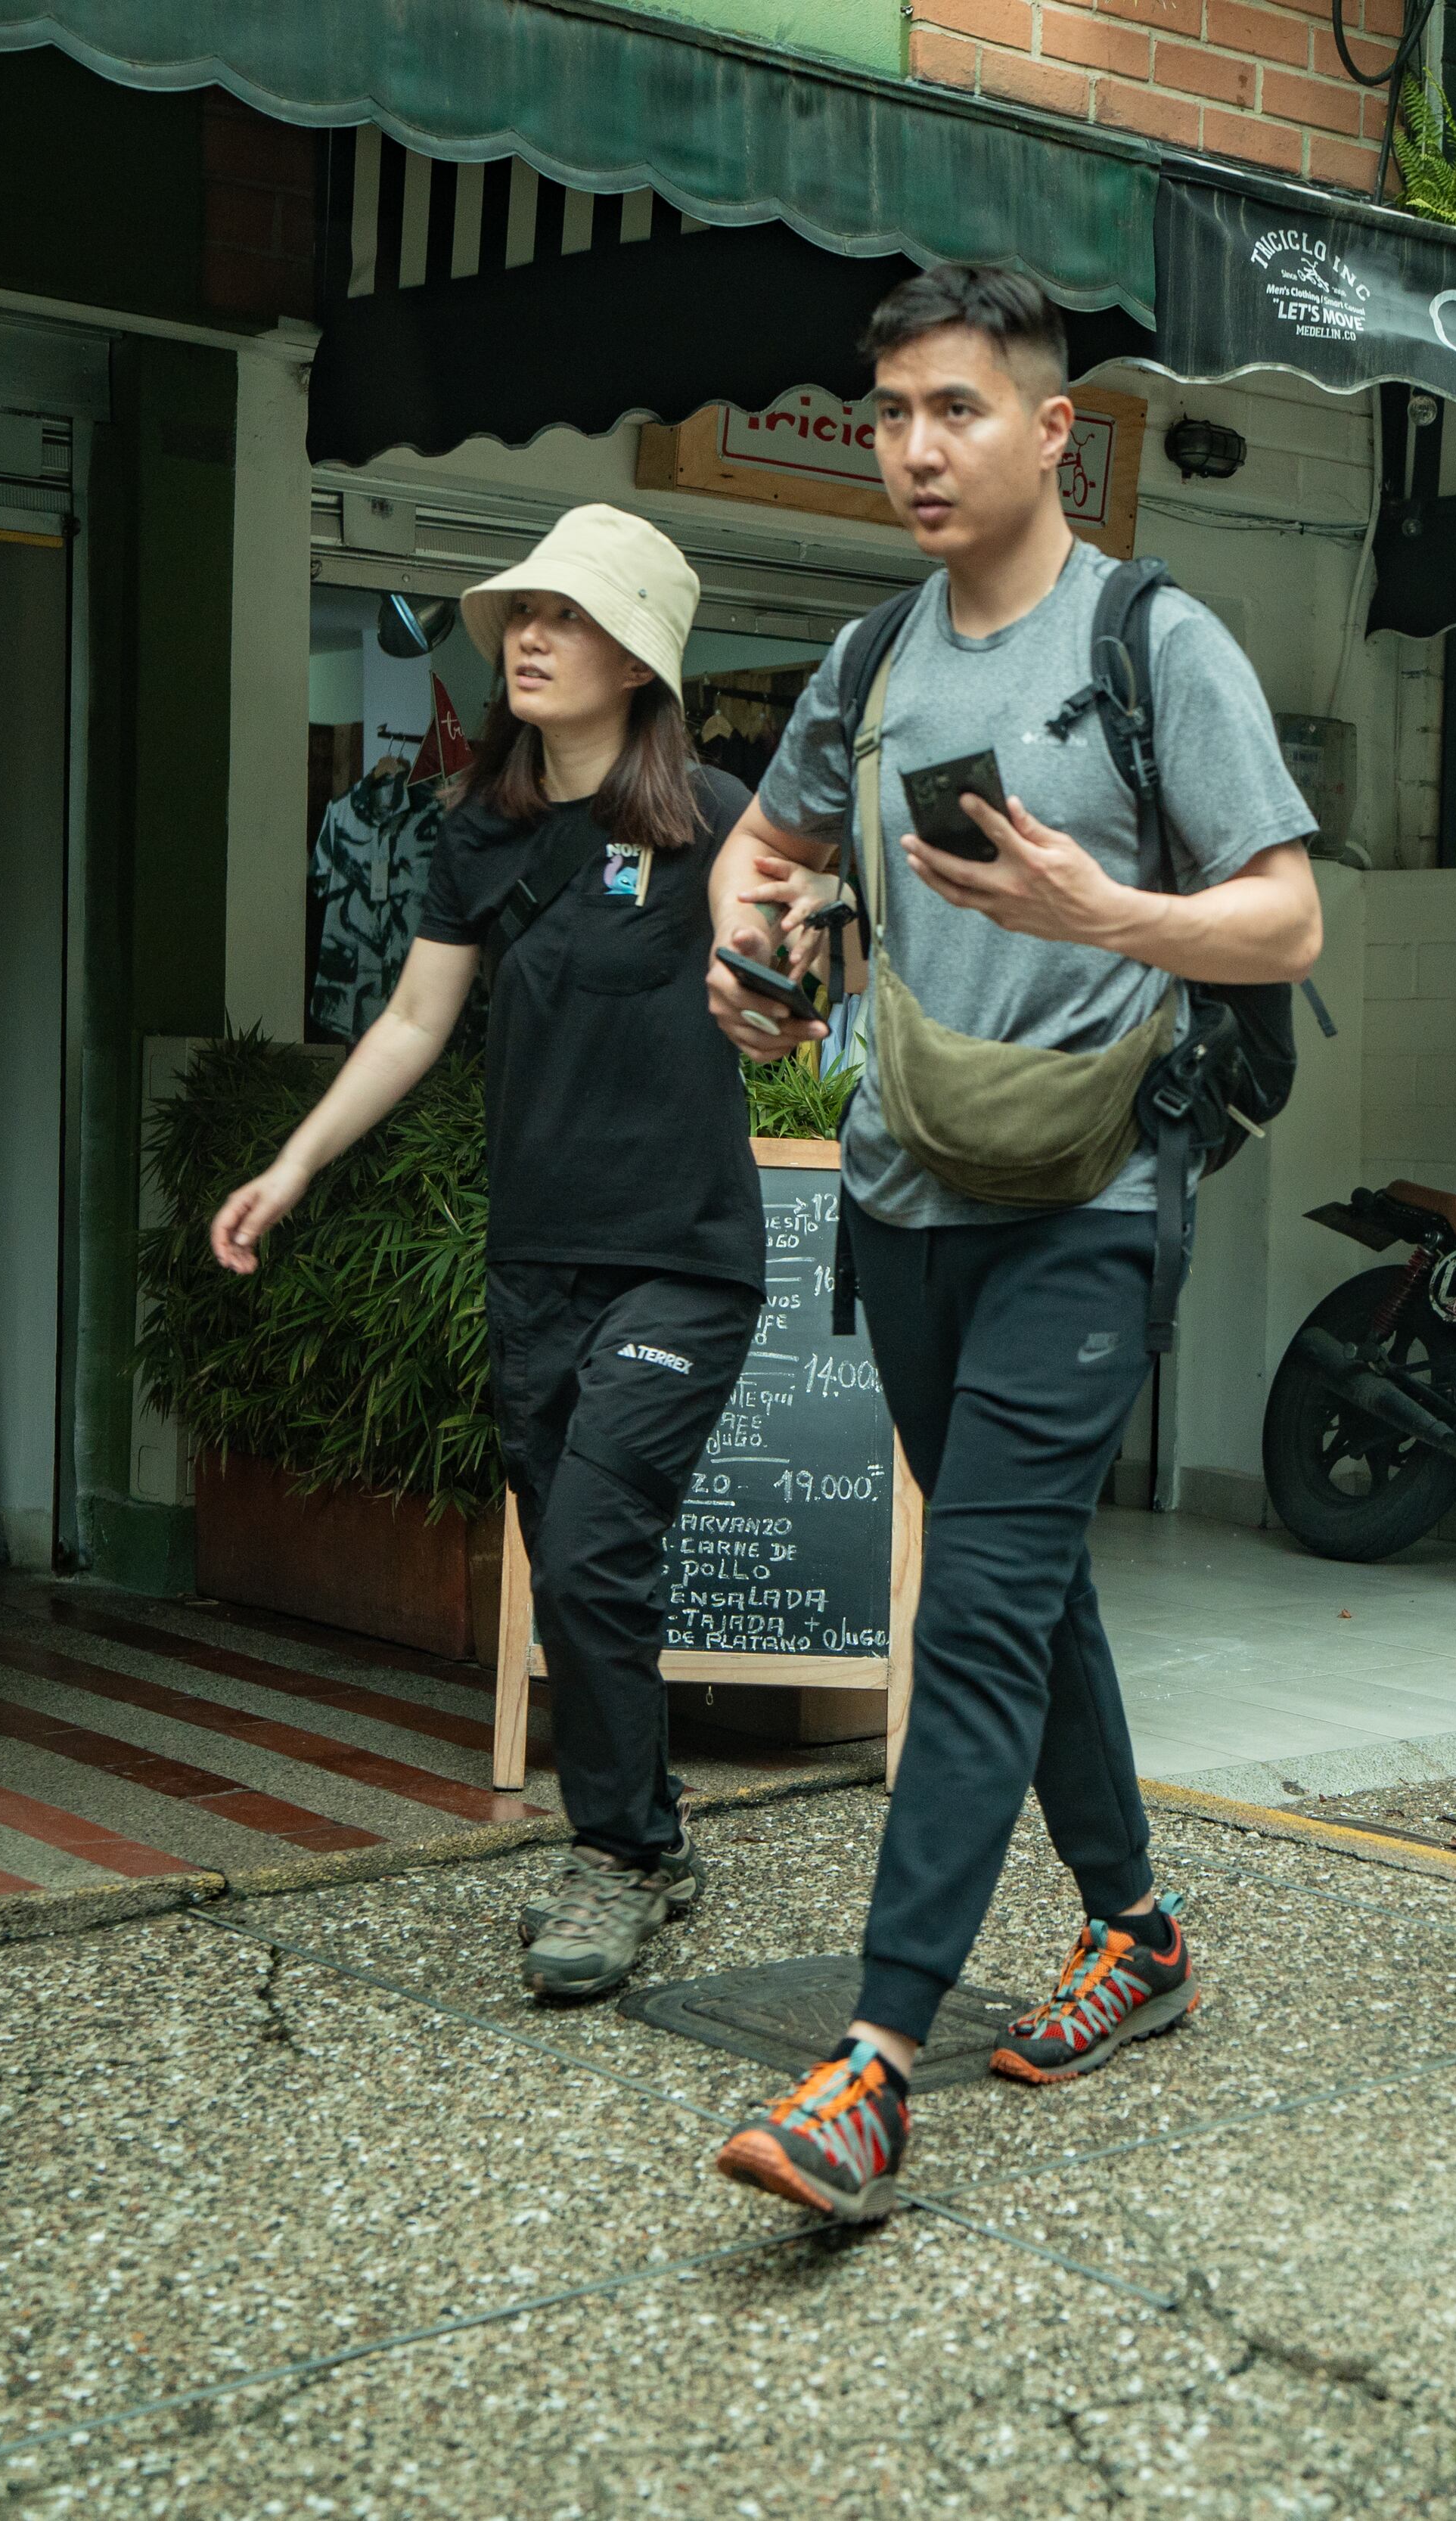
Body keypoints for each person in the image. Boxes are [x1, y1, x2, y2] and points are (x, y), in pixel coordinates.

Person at [699, 266, 1323, 2221]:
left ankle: (875, 2064)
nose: (913, 448)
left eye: (955, 409)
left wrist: (1101, 913)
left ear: (1054, 433)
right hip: (907, 1196)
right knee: (1027, 1587)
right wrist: (750, 958)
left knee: (970, 1606)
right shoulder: (872, 657)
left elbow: (1286, 918)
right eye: (890, 412)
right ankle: (1136, 1926)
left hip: (1092, 1202)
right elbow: (765, 848)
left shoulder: (1152, 641)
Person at [210, 507, 765, 2001]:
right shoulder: (482, 829)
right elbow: (414, 1018)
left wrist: (785, 973)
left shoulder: (715, 814)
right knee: (580, 1563)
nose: (529, 633)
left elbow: (781, 968)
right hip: (536, 1259)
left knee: (589, 1544)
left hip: (684, 1257)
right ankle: (652, 1832)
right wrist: (294, 1163)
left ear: (635, 658)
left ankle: (616, 1854)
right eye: (523, 610)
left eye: (568, 615)